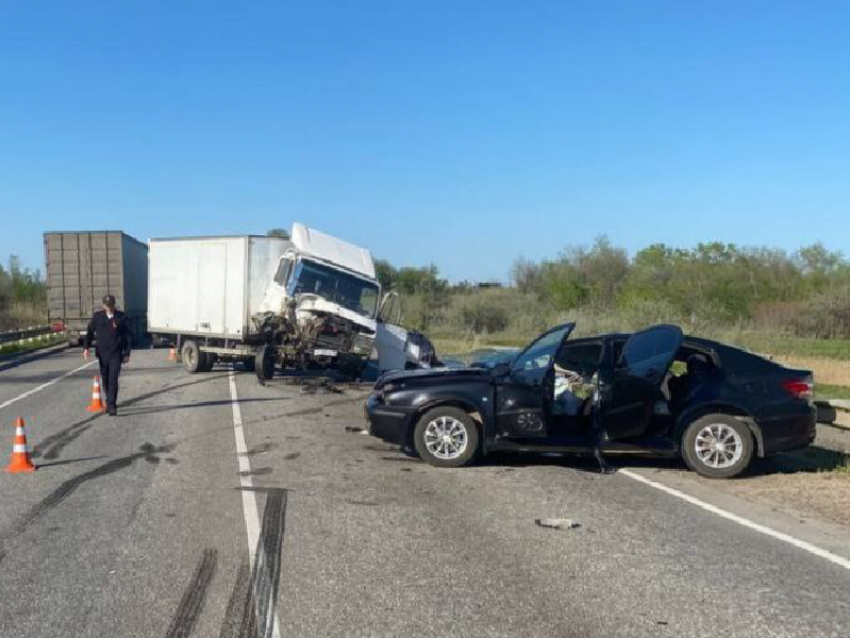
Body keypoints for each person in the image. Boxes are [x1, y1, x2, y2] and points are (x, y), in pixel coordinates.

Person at [83, 294, 131, 416]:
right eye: (107, 305)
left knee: (113, 379)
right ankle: (109, 400)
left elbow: (128, 336)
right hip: (102, 354)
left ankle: (112, 405)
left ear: (114, 305)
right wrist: (86, 347)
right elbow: (89, 332)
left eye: (111, 305)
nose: (109, 307)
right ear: (103, 305)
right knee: (105, 379)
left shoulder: (122, 317)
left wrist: (127, 353)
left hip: (116, 353)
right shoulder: (98, 317)